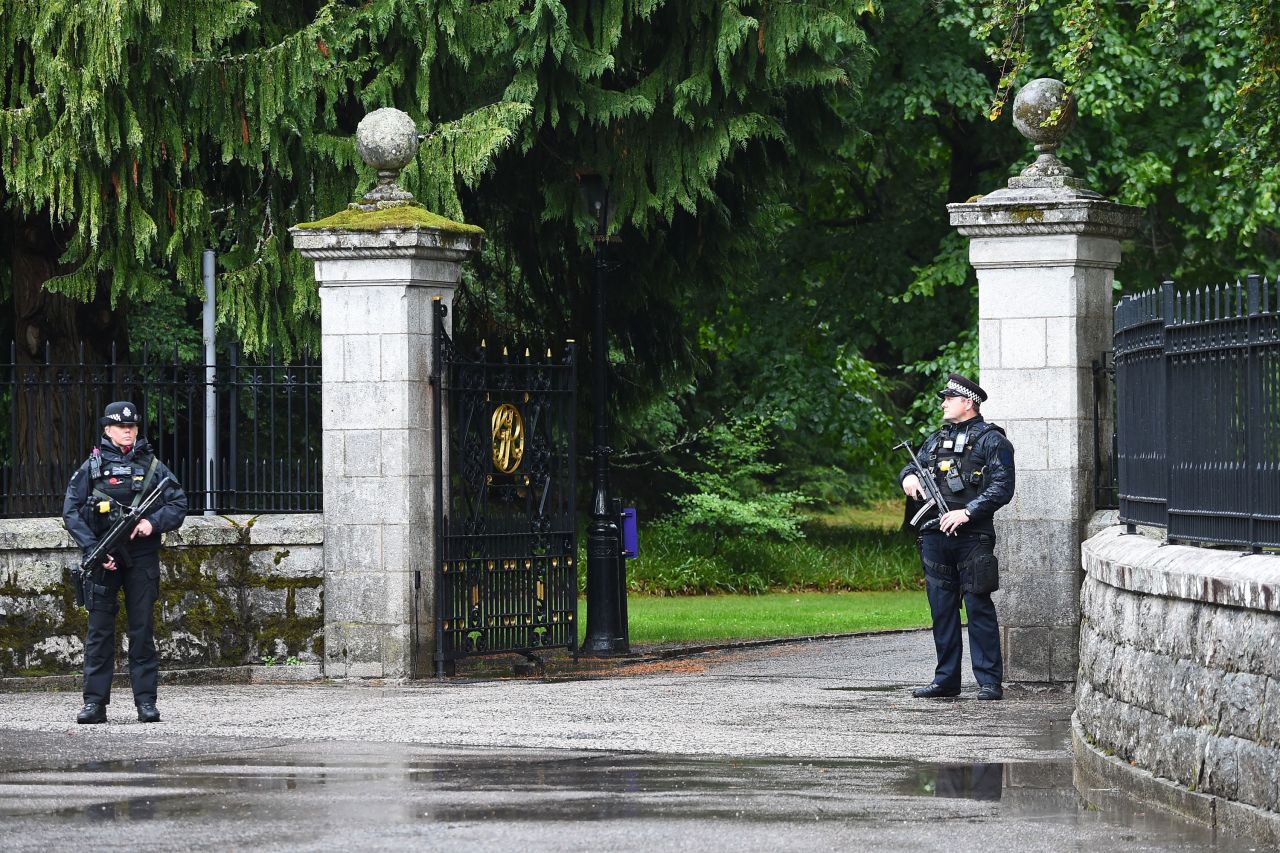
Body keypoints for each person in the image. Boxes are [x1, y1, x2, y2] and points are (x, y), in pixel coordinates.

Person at [63, 401, 187, 724]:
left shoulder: (152, 465)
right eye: (121, 426)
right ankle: (94, 704)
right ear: (107, 429)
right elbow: (71, 511)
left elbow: (178, 503)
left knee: (142, 629)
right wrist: (95, 549)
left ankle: (146, 702)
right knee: (100, 632)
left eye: (132, 427)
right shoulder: (93, 467)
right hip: (104, 557)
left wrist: (152, 523)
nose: (128, 431)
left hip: (142, 556)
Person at [900, 373, 1014, 701]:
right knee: (942, 609)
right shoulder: (936, 439)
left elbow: (1002, 487)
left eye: (949, 399)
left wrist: (967, 512)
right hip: (935, 536)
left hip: (972, 535)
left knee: (978, 606)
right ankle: (946, 680)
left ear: (967, 403)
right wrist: (908, 478)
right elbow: (912, 467)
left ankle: (989, 682)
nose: (943, 403)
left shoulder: (993, 440)